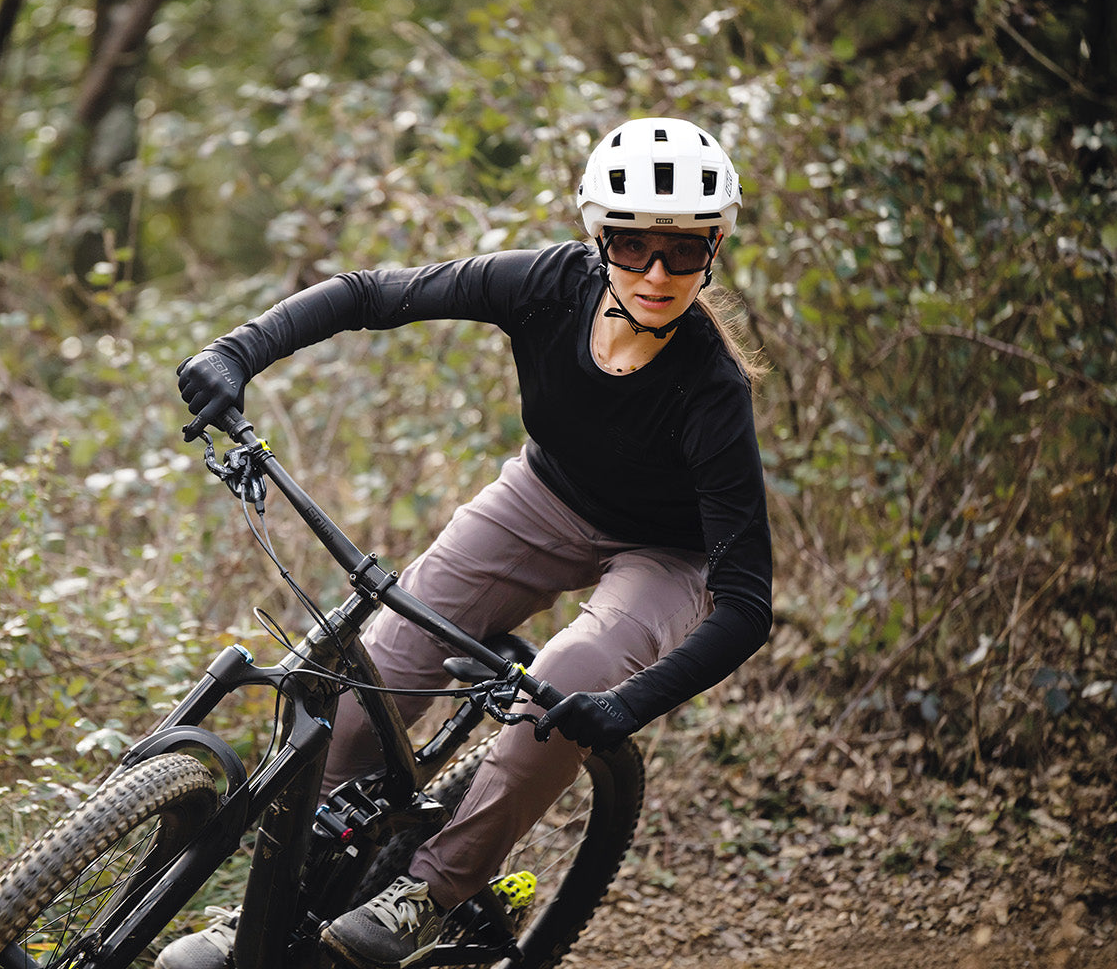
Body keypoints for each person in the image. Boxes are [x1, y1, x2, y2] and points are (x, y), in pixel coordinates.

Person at [162, 116, 773, 969]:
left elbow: (745, 604)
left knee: (571, 676)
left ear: (715, 249)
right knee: (369, 682)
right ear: (599, 238)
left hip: (668, 553)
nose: (659, 273)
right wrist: (237, 352)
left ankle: (431, 893)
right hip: (544, 497)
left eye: (685, 250)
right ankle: (272, 905)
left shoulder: (712, 390)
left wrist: (624, 708)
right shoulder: (548, 286)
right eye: (635, 246)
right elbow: (370, 294)